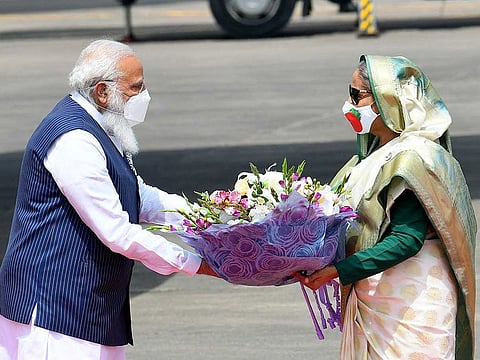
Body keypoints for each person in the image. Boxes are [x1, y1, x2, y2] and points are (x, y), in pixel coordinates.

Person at [0, 39, 218, 359]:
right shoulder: (73, 139)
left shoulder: (101, 124)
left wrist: (214, 219)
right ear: (102, 92)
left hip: (89, 305)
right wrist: (200, 265)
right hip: (54, 312)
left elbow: (138, 195)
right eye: (136, 87)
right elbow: (118, 232)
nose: (144, 96)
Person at [296, 55, 476, 359]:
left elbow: (406, 240)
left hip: (411, 307)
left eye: (358, 95)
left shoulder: (411, 160)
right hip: (378, 300)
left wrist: (338, 270)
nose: (349, 104)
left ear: (388, 101)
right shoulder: (369, 159)